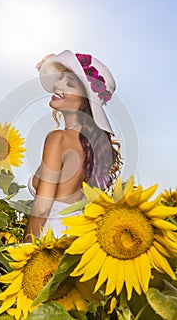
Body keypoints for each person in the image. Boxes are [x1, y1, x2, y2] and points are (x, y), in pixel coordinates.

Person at [23, 50, 122, 243]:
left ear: (85, 100)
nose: (57, 85)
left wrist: (25, 252)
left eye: (69, 83)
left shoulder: (58, 139)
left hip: (51, 238)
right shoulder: (97, 148)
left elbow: (42, 208)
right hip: (80, 240)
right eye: (59, 79)